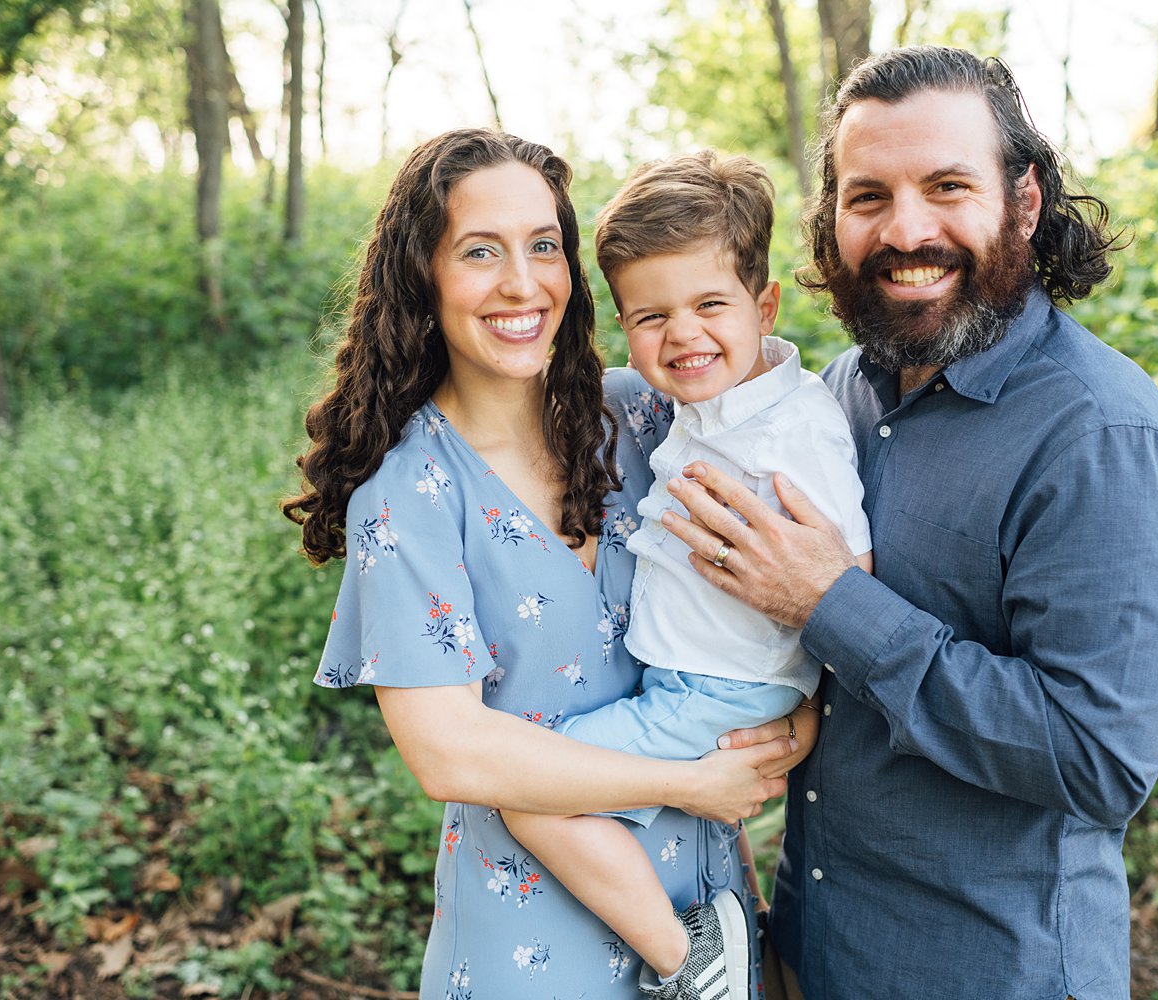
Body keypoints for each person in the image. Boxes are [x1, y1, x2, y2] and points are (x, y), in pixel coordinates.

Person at [658, 47, 1158, 999]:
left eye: (947, 185)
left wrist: (835, 602)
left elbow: (1100, 757)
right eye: (868, 196)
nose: (906, 229)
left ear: (1024, 202)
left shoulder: (1097, 433)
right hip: (818, 947)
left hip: (991, 970)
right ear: (833, 221)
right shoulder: (835, 400)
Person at [283, 127, 811, 1000]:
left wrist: (793, 728)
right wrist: (692, 780)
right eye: (480, 251)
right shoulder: (410, 491)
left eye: (544, 246)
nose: (522, 283)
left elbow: (773, 589)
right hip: (532, 945)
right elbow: (452, 754)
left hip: (710, 911)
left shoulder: (641, 418)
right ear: (424, 274)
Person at [499, 150, 873, 1000]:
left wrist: (810, 695)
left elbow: (850, 571)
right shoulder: (704, 408)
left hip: (721, 694)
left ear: (764, 304)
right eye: (651, 316)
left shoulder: (794, 430)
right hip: (701, 683)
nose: (683, 335)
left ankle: (692, 962)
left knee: (531, 793)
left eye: (710, 304)